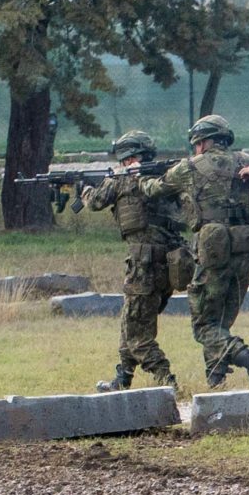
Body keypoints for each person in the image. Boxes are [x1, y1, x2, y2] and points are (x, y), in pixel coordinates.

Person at [148, 114, 249, 389]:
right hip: (247, 250)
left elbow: (154, 190)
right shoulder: (248, 162)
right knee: (221, 323)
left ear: (202, 143)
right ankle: (215, 380)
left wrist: (139, 176)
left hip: (215, 253)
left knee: (205, 326)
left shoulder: (189, 168)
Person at [85, 131, 187, 391]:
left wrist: (84, 188)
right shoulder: (166, 178)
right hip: (170, 264)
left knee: (136, 333)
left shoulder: (122, 181)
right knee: (130, 320)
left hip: (143, 265)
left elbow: (95, 202)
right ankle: (123, 378)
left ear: (130, 158)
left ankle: (166, 379)